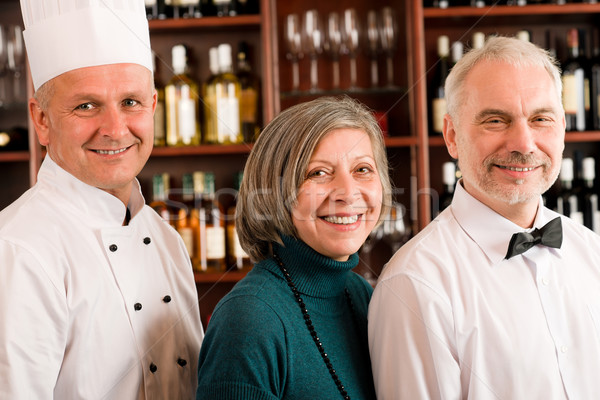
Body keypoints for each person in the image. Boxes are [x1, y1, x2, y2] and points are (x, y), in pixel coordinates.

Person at [368, 35, 600, 399]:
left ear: (562, 129)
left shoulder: (594, 252)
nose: (523, 144)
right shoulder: (415, 285)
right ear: (452, 136)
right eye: (495, 120)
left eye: (541, 118)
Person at [0, 1, 203, 398]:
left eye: (131, 102)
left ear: (153, 107)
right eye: (86, 105)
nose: (114, 129)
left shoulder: (166, 239)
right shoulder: (17, 251)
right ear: (41, 120)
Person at [195, 96, 391, 399]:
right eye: (318, 173)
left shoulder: (359, 293)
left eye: (362, 169)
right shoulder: (248, 320)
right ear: (274, 192)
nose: (348, 192)